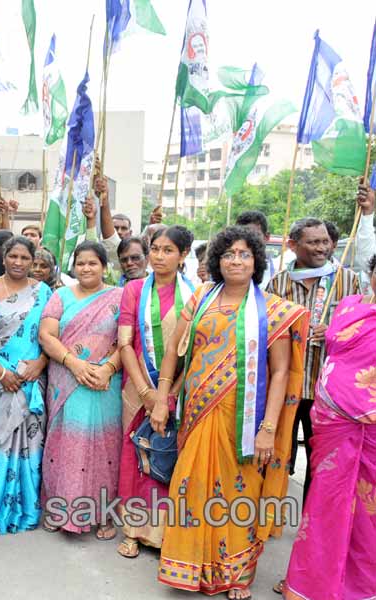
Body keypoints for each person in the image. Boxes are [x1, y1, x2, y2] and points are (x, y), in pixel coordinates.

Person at [151, 226, 308, 598]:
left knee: (239, 492)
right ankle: (190, 566)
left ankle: (235, 574)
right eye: (228, 254)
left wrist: (268, 427)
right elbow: (174, 350)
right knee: (191, 486)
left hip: (245, 419)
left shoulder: (273, 310)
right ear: (217, 260)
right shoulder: (202, 298)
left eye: (244, 254)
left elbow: (282, 370)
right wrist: (162, 398)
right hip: (198, 412)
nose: (235, 260)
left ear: (257, 261)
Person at [282, 255, 376, 600]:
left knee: (367, 511)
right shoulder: (349, 305)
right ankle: (309, 585)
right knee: (325, 505)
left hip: (368, 428)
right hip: (332, 421)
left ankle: (359, 586)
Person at [116, 225, 196, 558]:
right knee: (136, 454)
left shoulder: (196, 293)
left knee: (166, 454)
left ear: (183, 255)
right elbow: (124, 342)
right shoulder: (135, 290)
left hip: (178, 388)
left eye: (168, 250)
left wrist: (168, 395)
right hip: (137, 386)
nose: (159, 256)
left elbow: (192, 352)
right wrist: (147, 394)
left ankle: (163, 534)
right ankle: (133, 530)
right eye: (156, 249)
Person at [268, 217, 360, 503]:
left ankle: (312, 519)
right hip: (285, 386)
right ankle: (273, 514)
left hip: (326, 389)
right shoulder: (278, 283)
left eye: (325, 241)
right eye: (314, 242)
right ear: (294, 246)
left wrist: (334, 331)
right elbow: (266, 330)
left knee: (320, 458)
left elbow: (360, 329)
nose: (323, 248)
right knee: (280, 453)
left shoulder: (346, 279)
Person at [38, 241, 123, 539]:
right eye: (81, 263)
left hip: (103, 383)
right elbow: (46, 336)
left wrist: (107, 369)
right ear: (73, 266)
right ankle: (59, 509)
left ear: (104, 266)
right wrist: (74, 364)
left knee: (105, 447)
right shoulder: (60, 296)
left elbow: (128, 340)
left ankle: (104, 514)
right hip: (66, 379)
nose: (86, 268)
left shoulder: (119, 296)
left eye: (93, 263)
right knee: (65, 446)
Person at [0, 236, 49, 534]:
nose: (18, 262)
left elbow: (49, 335)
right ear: (3, 259)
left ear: (32, 261)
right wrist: (2, 373)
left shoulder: (43, 292)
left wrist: (40, 364)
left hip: (30, 382)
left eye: (24, 258)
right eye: (12, 256)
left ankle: (26, 508)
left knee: (29, 445)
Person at [236, 210, 276, 289]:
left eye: (254, 235)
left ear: (266, 237)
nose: (249, 240)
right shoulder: (227, 268)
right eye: (243, 235)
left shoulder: (278, 273)